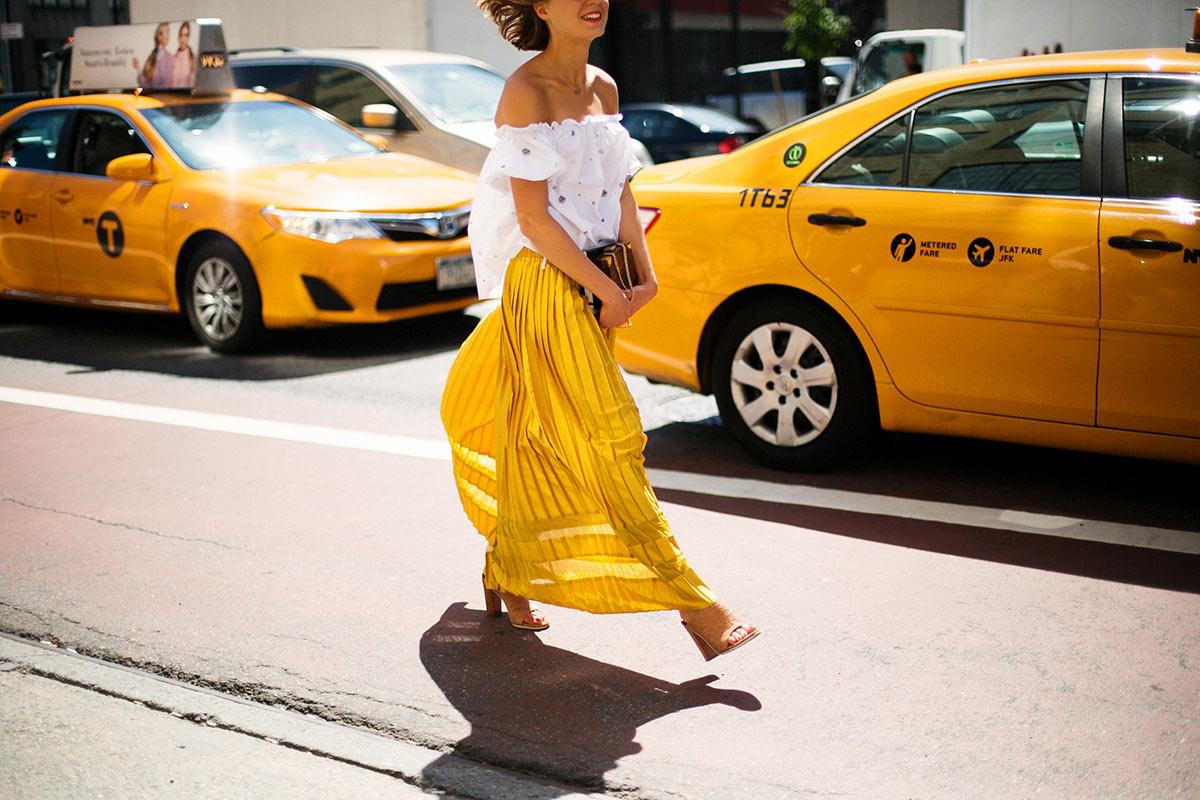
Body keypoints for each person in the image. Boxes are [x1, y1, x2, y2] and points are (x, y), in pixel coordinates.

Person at [440, 0, 759, 661]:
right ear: (540, 5)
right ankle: (697, 605)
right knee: (612, 437)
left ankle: (508, 571)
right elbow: (532, 221)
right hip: (551, 287)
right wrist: (607, 287)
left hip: (598, 285)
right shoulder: (523, 92)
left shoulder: (605, 86)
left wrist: (646, 276)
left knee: (538, 437)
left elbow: (620, 196)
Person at [132, 23, 172, 89]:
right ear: (159, 36)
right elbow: (143, 82)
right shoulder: (152, 57)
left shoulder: (168, 57)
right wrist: (138, 68)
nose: (169, 36)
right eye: (167, 32)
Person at [170, 21, 196, 88]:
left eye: (186, 35)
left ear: (188, 37)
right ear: (178, 37)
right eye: (181, 35)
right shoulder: (173, 58)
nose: (183, 39)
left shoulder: (192, 59)